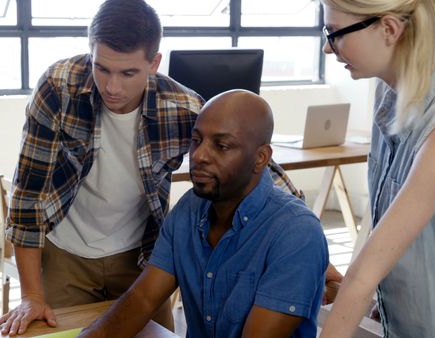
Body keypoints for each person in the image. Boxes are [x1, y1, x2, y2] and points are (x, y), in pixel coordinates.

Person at [0, 0, 302, 336]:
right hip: (66, 254)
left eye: (128, 73)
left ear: (154, 63)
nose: (112, 87)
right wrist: (32, 295)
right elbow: (28, 195)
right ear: (90, 52)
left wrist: (306, 238)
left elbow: (260, 170)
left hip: (141, 259)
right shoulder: (58, 87)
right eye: (102, 69)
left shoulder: (181, 106)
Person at [79, 89, 329, 338]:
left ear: (261, 157)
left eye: (221, 146)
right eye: (196, 140)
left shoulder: (297, 232)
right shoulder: (188, 209)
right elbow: (142, 299)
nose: (199, 156)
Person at [319, 1, 435, 337]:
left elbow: (364, 274)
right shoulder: (390, 92)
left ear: (389, 29)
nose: (327, 48)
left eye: (335, 33)